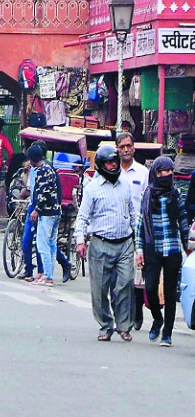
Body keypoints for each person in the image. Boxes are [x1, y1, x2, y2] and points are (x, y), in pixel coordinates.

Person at [75, 145, 137, 342]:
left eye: (115, 162)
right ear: (101, 165)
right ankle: (105, 325)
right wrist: (80, 241)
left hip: (125, 243)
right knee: (100, 289)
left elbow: (134, 214)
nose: (112, 165)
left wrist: (139, 240)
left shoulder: (125, 184)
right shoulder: (92, 188)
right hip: (100, 244)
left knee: (125, 284)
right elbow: (83, 217)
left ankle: (124, 326)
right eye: (108, 162)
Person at [135, 157, 188, 347]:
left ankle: (167, 333)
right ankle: (157, 319)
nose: (165, 175)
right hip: (153, 248)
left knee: (170, 292)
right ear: (155, 173)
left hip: (173, 248)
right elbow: (140, 225)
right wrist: (139, 249)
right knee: (150, 288)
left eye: (168, 171)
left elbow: (183, 222)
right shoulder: (147, 195)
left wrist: (187, 246)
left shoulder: (176, 194)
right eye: (161, 171)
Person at [115, 132, 150, 331]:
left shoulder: (143, 173)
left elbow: (148, 201)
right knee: (120, 277)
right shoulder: (112, 172)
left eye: (129, 146)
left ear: (134, 148)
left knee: (137, 276)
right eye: (122, 147)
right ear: (117, 150)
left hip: (138, 230)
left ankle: (137, 312)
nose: (126, 150)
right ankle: (123, 314)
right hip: (117, 230)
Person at [27, 143, 61, 287]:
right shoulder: (50, 168)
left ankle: (47, 276)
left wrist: (37, 209)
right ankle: (49, 275)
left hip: (46, 213)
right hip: (55, 212)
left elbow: (43, 192)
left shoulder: (42, 171)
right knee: (52, 244)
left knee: (42, 245)